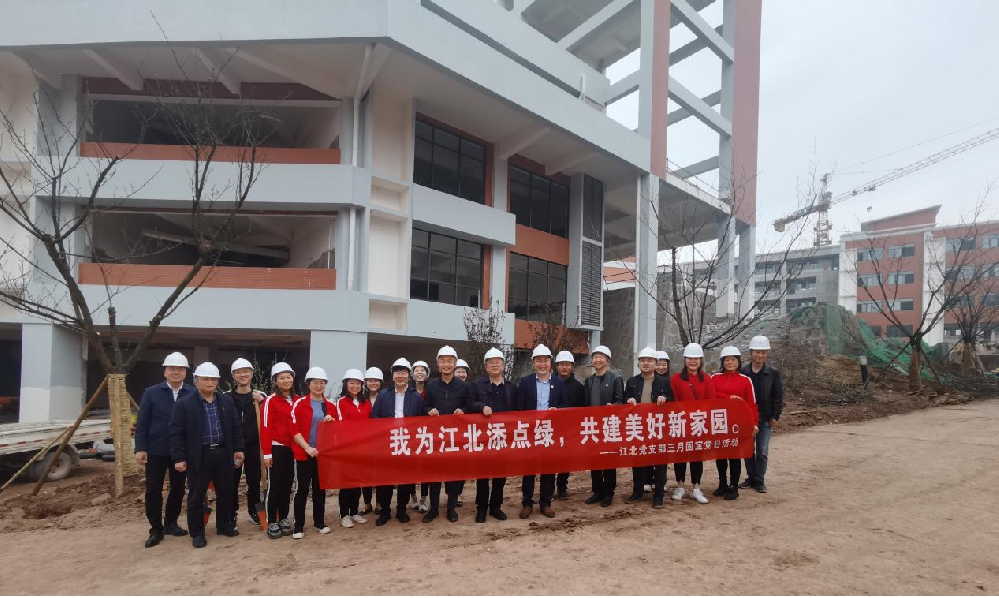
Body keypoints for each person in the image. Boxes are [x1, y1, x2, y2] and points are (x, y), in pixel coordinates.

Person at [169, 362, 244, 548]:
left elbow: (235, 427)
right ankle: (197, 533)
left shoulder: (225, 401)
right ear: (196, 381)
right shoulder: (185, 404)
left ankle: (224, 525)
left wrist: (238, 449)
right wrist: (179, 458)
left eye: (213, 379)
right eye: (206, 379)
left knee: (226, 492)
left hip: (223, 453)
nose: (210, 382)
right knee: (196, 496)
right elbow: (176, 432)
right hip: (198, 456)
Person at [135, 351, 194, 548]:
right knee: (153, 489)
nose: (176, 372)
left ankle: (171, 523)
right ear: (165, 371)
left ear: (185, 372)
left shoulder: (192, 393)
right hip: (156, 449)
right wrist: (140, 447)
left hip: (181, 451)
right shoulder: (152, 393)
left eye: (180, 369)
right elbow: (142, 422)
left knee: (178, 488)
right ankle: (155, 529)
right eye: (172, 369)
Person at [371, 358, 425, 526]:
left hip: (407, 442)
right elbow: (374, 416)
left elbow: (421, 420)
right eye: (397, 373)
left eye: (403, 373)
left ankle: (401, 509)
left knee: (406, 479)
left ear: (409, 376)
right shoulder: (383, 395)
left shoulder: (415, 396)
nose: (400, 376)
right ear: (392, 375)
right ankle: (385, 511)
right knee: (384, 479)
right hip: (387, 442)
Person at [467, 347, 517, 523]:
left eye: (498, 362)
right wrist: (481, 407)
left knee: (500, 475)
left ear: (503, 365)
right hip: (484, 437)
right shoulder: (476, 385)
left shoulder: (511, 387)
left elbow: (519, 411)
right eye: (491, 363)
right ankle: (481, 508)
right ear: (485, 366)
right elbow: (469, 403)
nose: (495, 365)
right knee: (482, 475)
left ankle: (496, 506)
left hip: (503, 437)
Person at [516, 344, 567, 519]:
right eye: (539, 361)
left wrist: (557, 411)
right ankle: (527, 503)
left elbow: (565, 405)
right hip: (530, 431)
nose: (542, 364)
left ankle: (546, 503)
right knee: (529, 469)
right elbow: (520, 407)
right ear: (533, 363)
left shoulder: (559, 383)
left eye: (545, 360)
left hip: (549, 432)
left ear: (550, 363)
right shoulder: (525, 382)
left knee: (548, 468)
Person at [423, 345, 470, 523]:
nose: (446, 364)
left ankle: (451, 509)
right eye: (443, 361)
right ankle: (433, 510)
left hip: (455, 438)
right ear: (437, 363)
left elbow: (469, 406)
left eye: (450, 361)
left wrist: (463, 410)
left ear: (455, 363)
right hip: (436, 438)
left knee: (453, 477)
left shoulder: (463, 387)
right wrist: (429, 410)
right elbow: (424, 406)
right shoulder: (431, 386)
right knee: (434, 477)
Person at [289, 366, 337, 539]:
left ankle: (319, 522)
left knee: (320, 489)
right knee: (301, 490)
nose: (319, 386)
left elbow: (336, 431)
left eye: (322, 382)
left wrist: (330, 423)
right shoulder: (300, 404)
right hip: (304, 453)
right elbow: (293, 430)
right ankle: (298, 526)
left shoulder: (330, 406)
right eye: (315, 382)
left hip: (322, 454)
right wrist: (307, 447)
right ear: (308, 384)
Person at [623, 347, 673, 509]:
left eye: (649, 360)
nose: (646, 363)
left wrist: (665, 398)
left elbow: (673, 399)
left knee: (660, 462)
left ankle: (658, 495)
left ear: (656, 364)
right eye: (642, 360)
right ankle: (637, 491)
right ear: (638, 363)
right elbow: (624, 399)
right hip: (638, 427)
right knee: (638, 460)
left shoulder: (665, 382)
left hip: (658, 427)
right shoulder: (632, 381)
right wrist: (628, 400)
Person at [670, 343, 715, 505]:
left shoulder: (707, 379)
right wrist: (684, 412)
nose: (693, 361)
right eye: (690, 358)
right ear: (685, 360)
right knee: (680, 456)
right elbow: (673, 399)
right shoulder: (676, 378)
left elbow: (711, 399)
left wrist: (699, 413)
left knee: (697, 456)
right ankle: (680, 486)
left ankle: (696, 487)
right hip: (681, 422)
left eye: (696, 358)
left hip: (698, 422)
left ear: (701, 360)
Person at [711, 347, 758, 501]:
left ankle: (733, 486)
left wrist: (754, 423)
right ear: (722, 362)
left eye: (733, 359)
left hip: (737, 422)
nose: (730, 362)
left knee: (734, 455)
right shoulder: (715, 378)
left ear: (738, 362)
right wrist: (728, 397)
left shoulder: (745, 380)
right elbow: (710, 395)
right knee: (720, 455)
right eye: (727, 360)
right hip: (718, 421)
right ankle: (722, 483)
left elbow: (752, 404)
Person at [739, 335, 783, 494]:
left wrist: (775, 416)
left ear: (766, 354)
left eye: (763, 352)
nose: (760, 355)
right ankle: (751, 478)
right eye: (757, 352)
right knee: (748, 450)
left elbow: (778, 395)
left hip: (765, 418)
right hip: (748, 419)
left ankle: (759, 480)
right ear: (751, 352)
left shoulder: (773, 373)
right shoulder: (743, 372)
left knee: (762, 451)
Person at [226, 358, 266, 528]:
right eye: (239, 372)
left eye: (246, 371)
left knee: (254, 480)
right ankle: (231, 513)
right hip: (233, 446)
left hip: (254, 445)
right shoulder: (225, 397)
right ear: (233, 375)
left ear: (251, 373)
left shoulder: (260, 396)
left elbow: (269, 415)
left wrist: (262, 401)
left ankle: (254, 511)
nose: (243, 375)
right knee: (231, 481)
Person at [583, 345, 624, 507]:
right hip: (593, 426)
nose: (598, 360)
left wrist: (613, 406)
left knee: (608, 459)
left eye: (601, 357)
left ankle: (608, 492)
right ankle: (597, 491)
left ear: (608, 360)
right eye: (595, 357)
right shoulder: (589, 380)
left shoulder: (615, 378)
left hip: (609, 426)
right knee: (594, 460)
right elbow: (585, 404)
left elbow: (620, 401)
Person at [261, 362, 298, 539]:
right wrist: (267, 453)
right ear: (275, 380)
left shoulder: (298, 400)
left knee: (287, 485)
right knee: (274, 486)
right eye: (281, 378)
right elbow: (265, 427)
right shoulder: (270, 401)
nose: (286, 380)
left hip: (293, 448)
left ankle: (283, 517)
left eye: (288, 377)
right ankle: (271, 521)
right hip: (276, 448)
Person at [336, 368, 372, 528]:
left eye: (358, 383)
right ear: (346, 384)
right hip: (347, 448)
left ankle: (354, 511)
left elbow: (371, 424)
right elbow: (341, 425)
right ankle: (344, 514)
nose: (355, 386)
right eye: (352, 383)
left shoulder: (366, 402)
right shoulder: (341, 402)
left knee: (358, 481)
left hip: (363, 448)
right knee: (346, 483)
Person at [554, 350, 584, 500]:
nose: (564, 367)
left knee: (565, 460)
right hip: (551, 428)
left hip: (570, 429)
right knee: (550, 458)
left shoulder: (578, 386)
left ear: (572, 366)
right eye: (561, 364)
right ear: (557, 366)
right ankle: (548, 488)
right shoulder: (550, 382)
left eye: (567, 364)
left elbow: (583, 408)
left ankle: (562, 487)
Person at [360, 366, 383, 515]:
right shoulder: (360, 398)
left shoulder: (386, 396)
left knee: (380, 473)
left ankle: (380, 503)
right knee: (366, 474)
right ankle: (367, 503)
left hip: (381, 441)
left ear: (380, 382)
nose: (373, 383)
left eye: (376, 380)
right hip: (365, 442)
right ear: (366, 382)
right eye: (370, 380)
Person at [411, 359, 431, 514]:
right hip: (410, 434)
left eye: (422, 370)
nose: (419, 373)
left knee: (426, 467)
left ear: (427, 374)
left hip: (427, 434)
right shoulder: (407, 392)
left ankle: (424, 499)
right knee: (410, 467)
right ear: (412, 375)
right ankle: (413, 498)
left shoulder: (431, 391)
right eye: (416, 370)